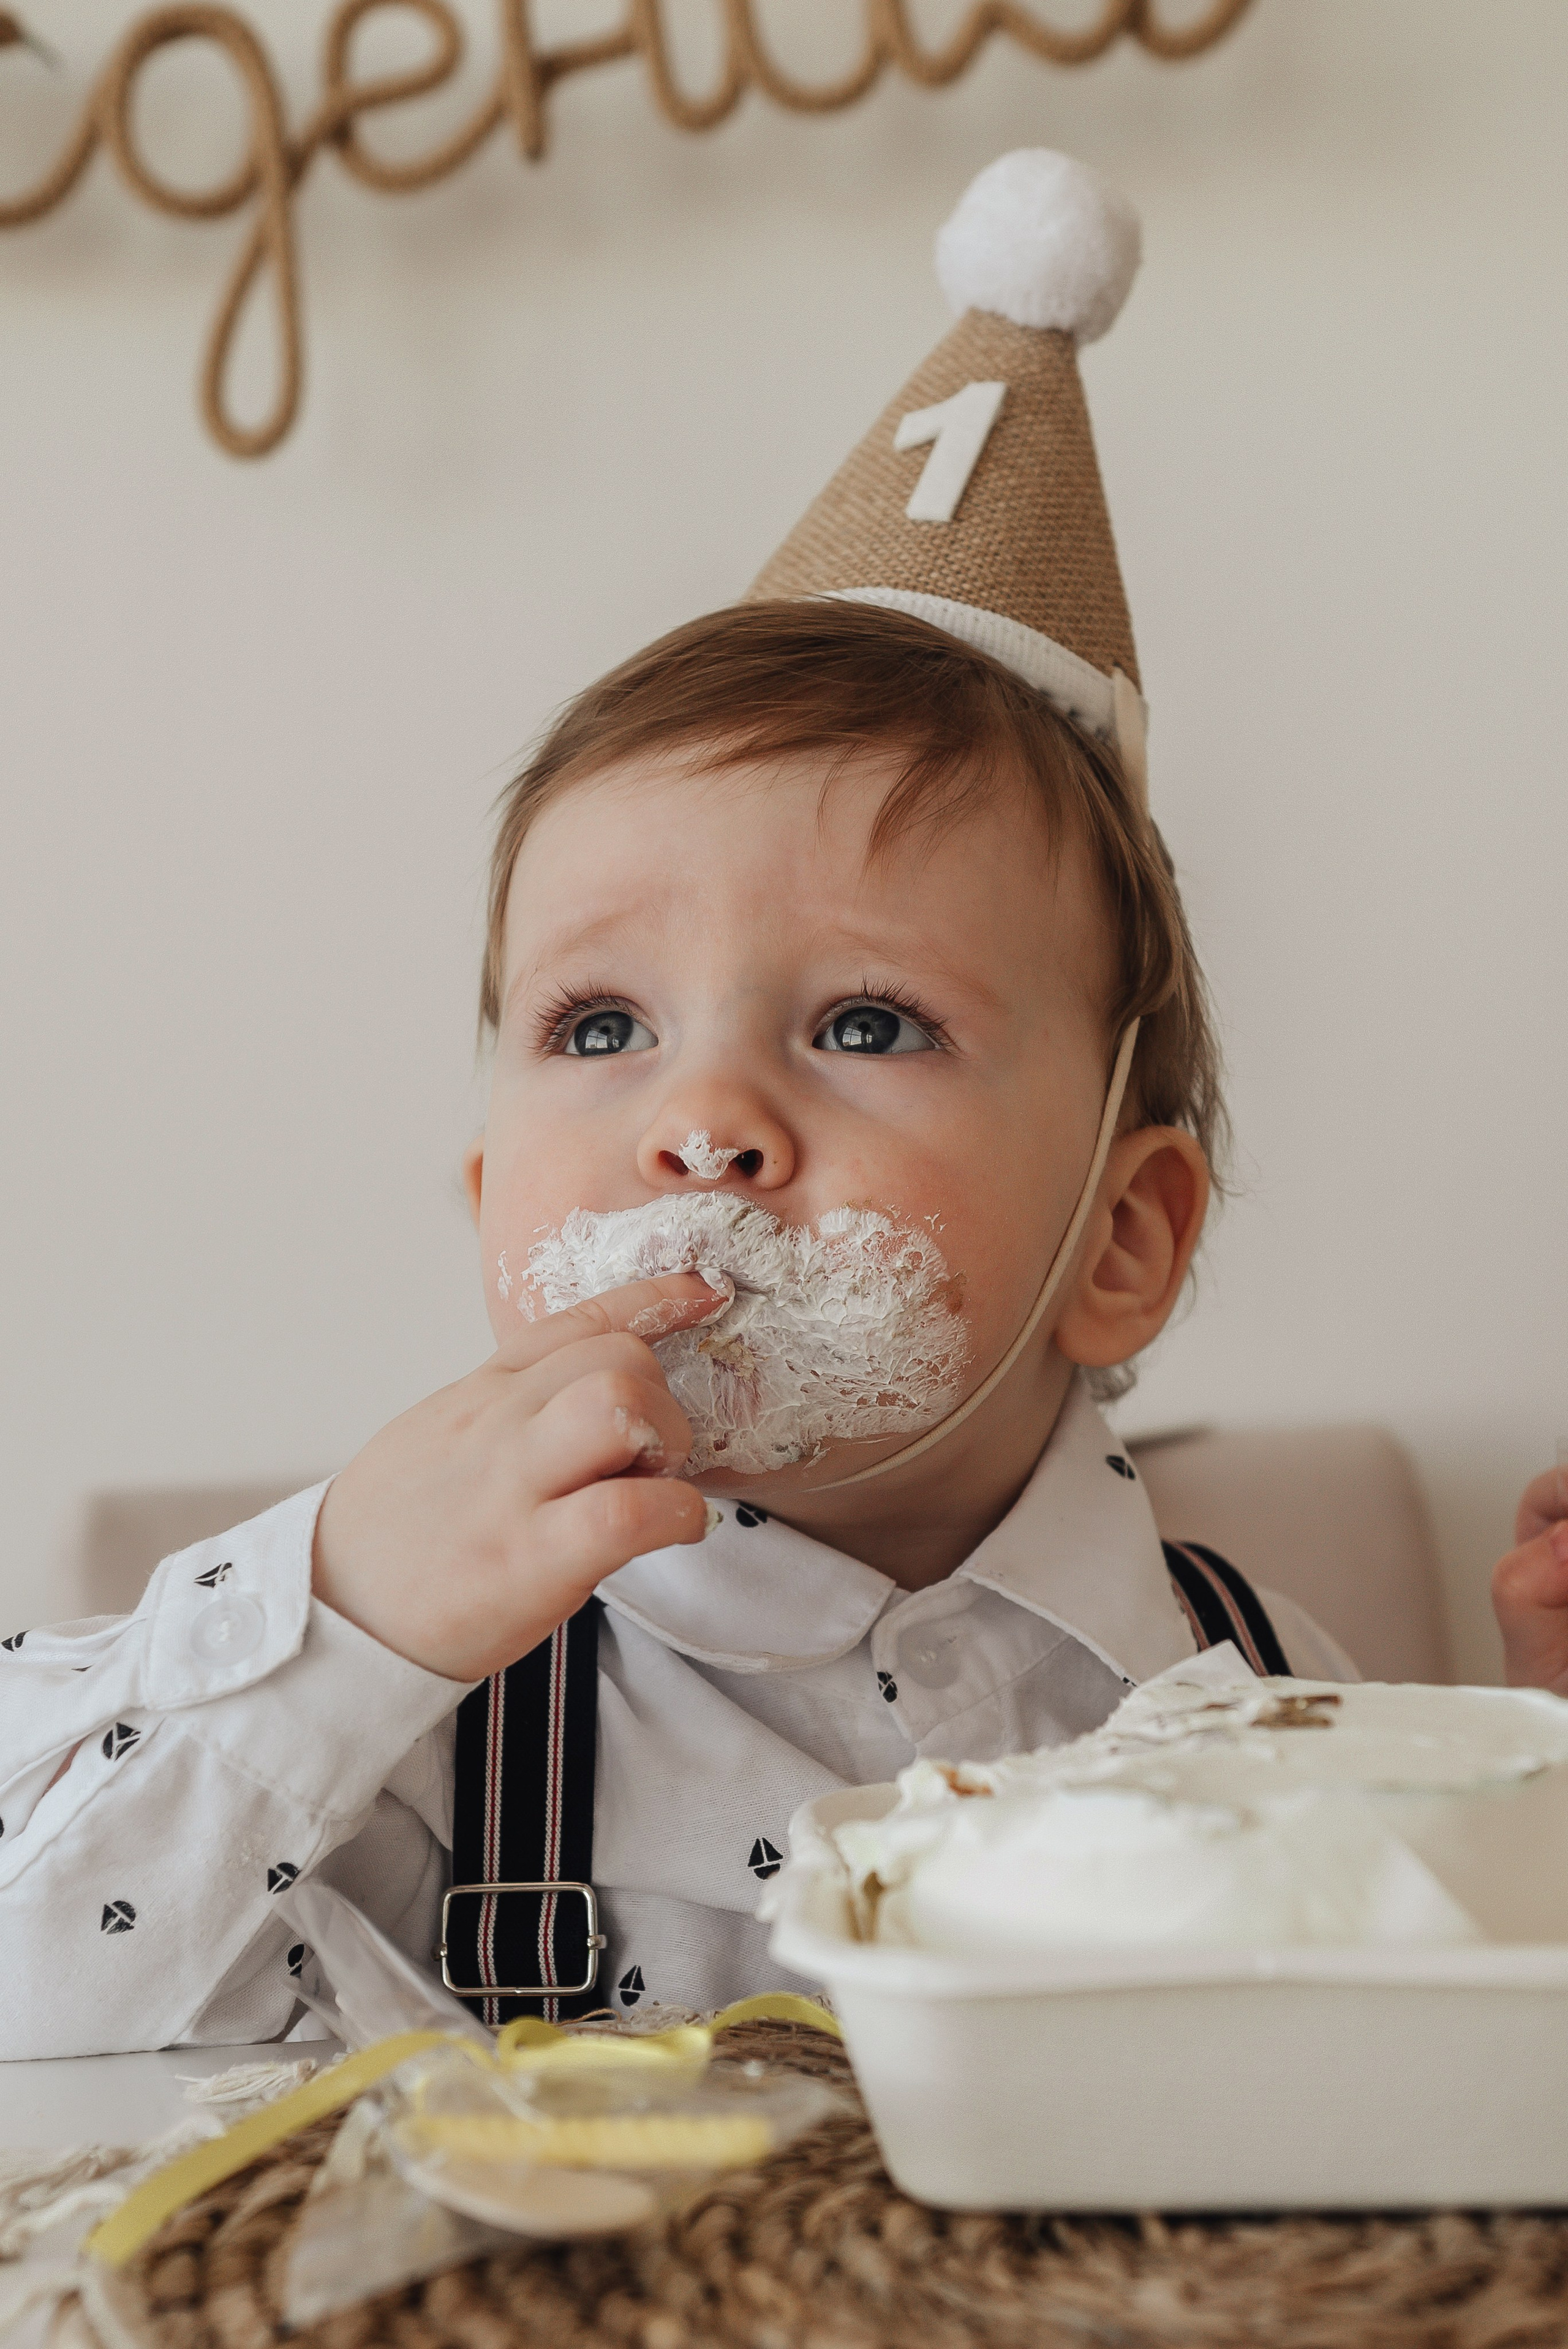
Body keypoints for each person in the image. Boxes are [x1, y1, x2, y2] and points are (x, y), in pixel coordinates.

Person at [0, 154, 1551, 2063]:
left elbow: (1406, 2126)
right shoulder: (391, 1706)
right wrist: (341, 1628)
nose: (705, 1120)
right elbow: (40, 2011)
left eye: (870, 1020)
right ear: (490, 1197)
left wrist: (1538, 1792)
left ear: (1123, 1240)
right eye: (598, 1027)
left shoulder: (1265, 1695)